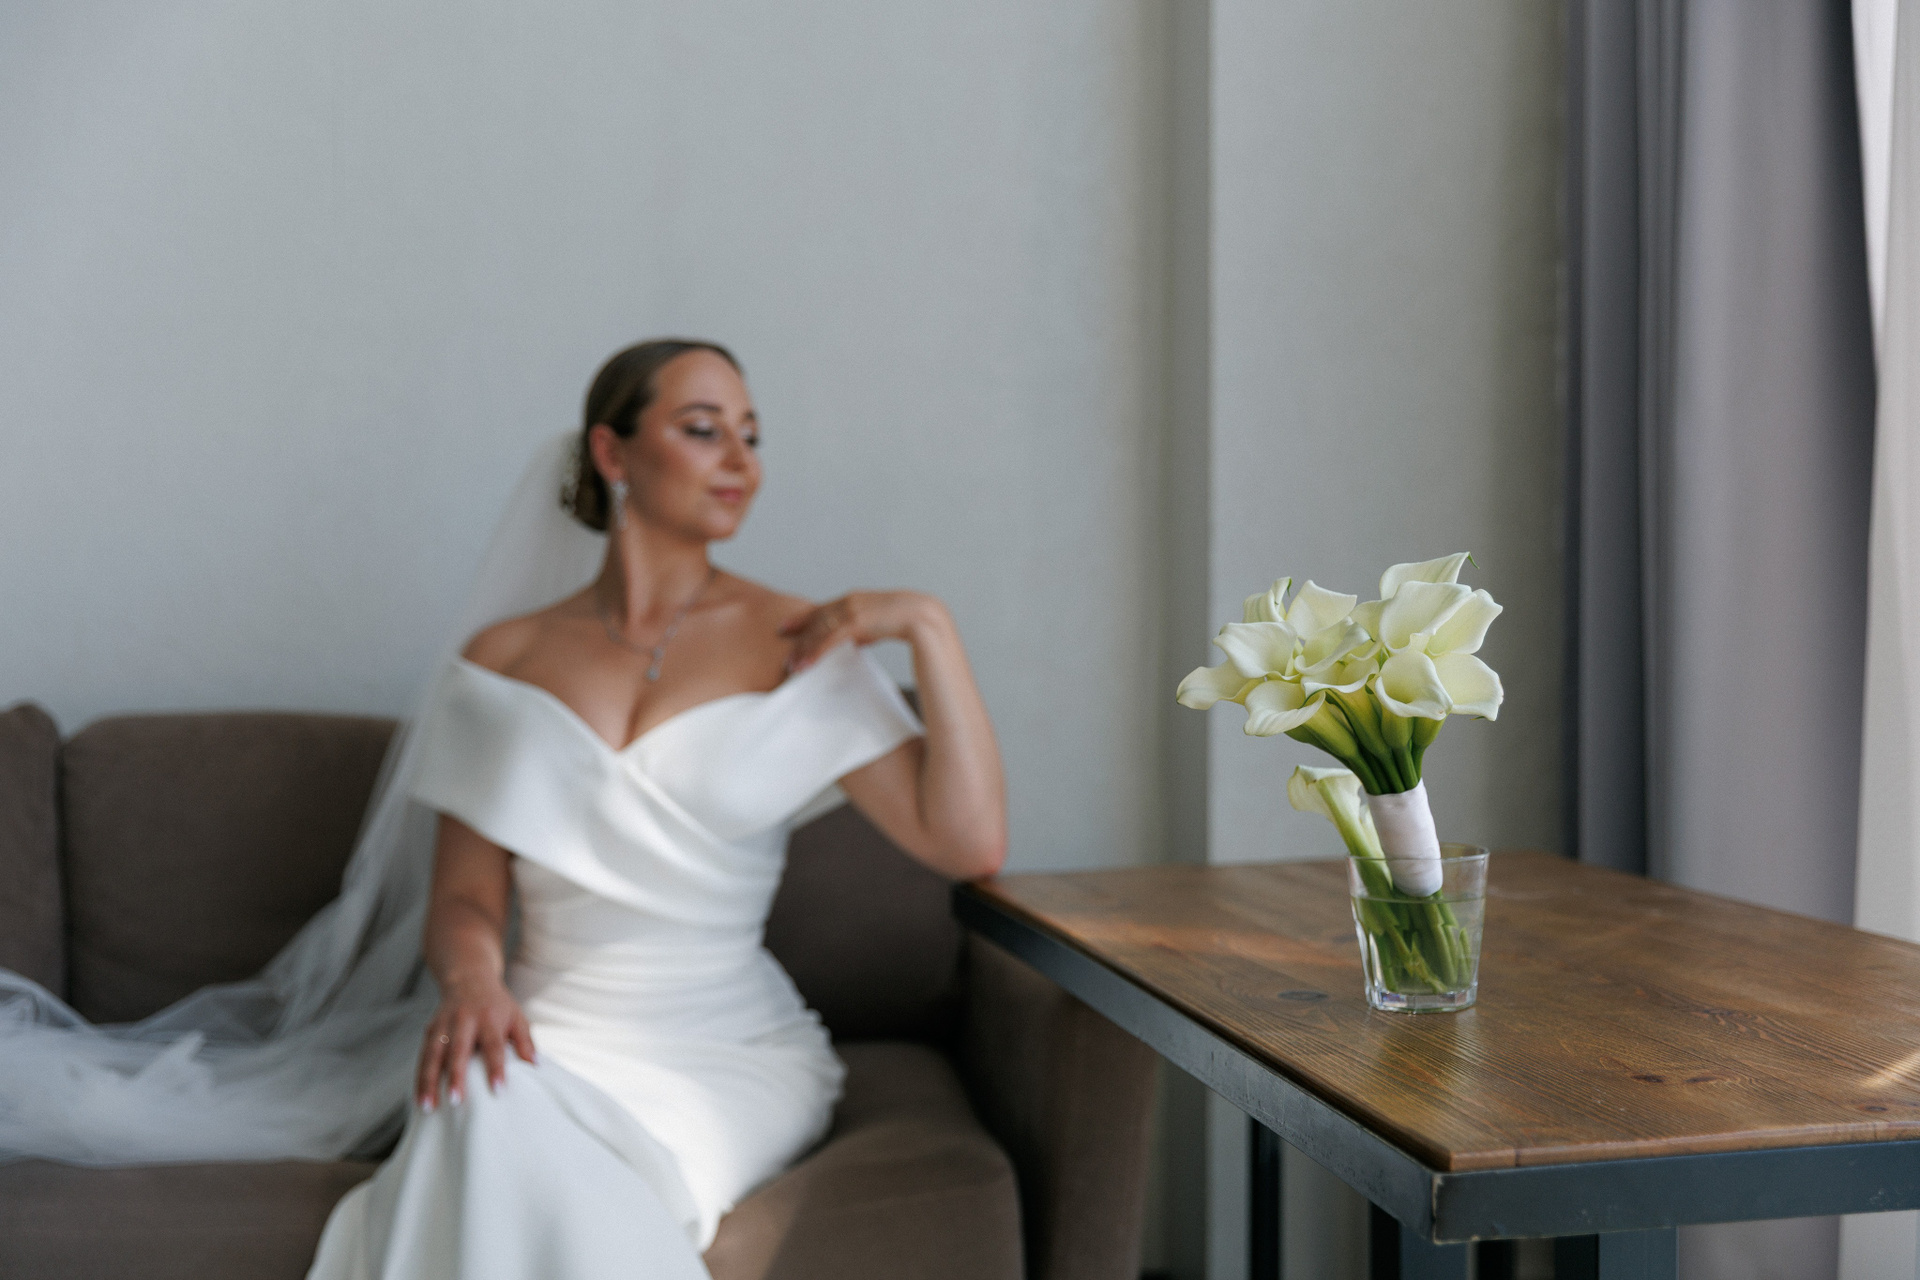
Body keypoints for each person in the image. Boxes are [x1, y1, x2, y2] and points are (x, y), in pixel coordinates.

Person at [304, 339, 1007, 1279]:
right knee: (486, 1103)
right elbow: (466, 895)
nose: (741, 461)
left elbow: (969, 843)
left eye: (752, 436)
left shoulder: (798, 641)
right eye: (704, 430)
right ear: (612, 451)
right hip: (542, 1032)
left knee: (510, 1153)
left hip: (725, 1050)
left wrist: (929, 626)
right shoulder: (503, 660)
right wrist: (474, 985)